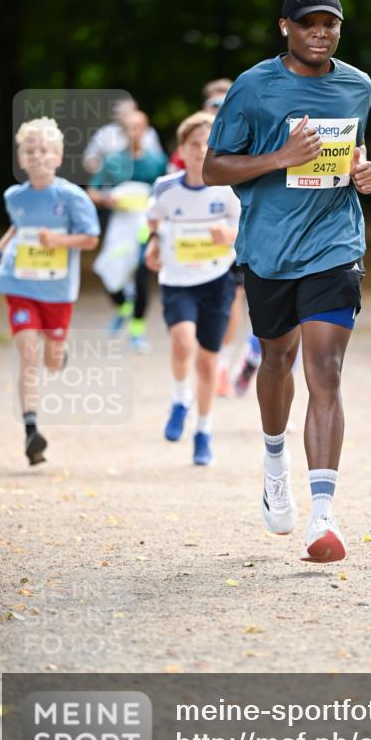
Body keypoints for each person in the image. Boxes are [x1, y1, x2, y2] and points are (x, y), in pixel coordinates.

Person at [203, 0, 371, 564]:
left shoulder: (358, 86)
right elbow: (212, 168)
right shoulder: (254, 87)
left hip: (334, 243)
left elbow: (352, 151)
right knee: (277, 359)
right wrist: (280, 157)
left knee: (323, 368)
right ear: (286, 27)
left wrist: (363, 173)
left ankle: (323, 517)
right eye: (309, 23)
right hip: (271, 251)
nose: (320, 33)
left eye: (330, 23)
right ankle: (274, 459)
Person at [0, 117, 99, 464]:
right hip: (19, 283)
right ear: (21, 159)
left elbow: (91, 238)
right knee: (28, 353)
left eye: (44, 150)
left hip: (58, 291)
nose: (36, 156)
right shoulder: (14, 196)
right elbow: (18, 227)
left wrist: (60, 240)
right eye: (29, 151)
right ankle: (32, 431)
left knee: (50, 359)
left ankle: (59, 352)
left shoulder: (72, 197)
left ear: (58, 157)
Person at [145, 111, 240, 465]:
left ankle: (203, 430)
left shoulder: (228, 189)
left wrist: (227, 235)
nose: (201, 151)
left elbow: (242, 227)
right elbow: (153, 219)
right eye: (195, 144)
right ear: (182, 149)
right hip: (177, 280)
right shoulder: (165, 187)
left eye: (208, 144)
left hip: (217, 280)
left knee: (208, 362)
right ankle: (180, 399)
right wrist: (153, 244)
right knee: (183, 340)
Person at [88, 110, 167, 352]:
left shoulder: (156, 160)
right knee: (106, 270)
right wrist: (106, 199)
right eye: (129, 127)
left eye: (138, 127)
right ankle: (123, 307)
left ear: (146, 129)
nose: (134, 132)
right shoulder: (112, 160)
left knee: (143, 274)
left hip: (145, 224)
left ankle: (137, 331)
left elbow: (166, 190)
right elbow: (92, 190)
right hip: (120, 225)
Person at [82, 97, 163, 175]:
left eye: (128, 112)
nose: (124, 116)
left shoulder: (148, 133)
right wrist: (97, 166)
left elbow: (158, 158)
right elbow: (89, 157)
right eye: (120, 113)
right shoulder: (104, 133)